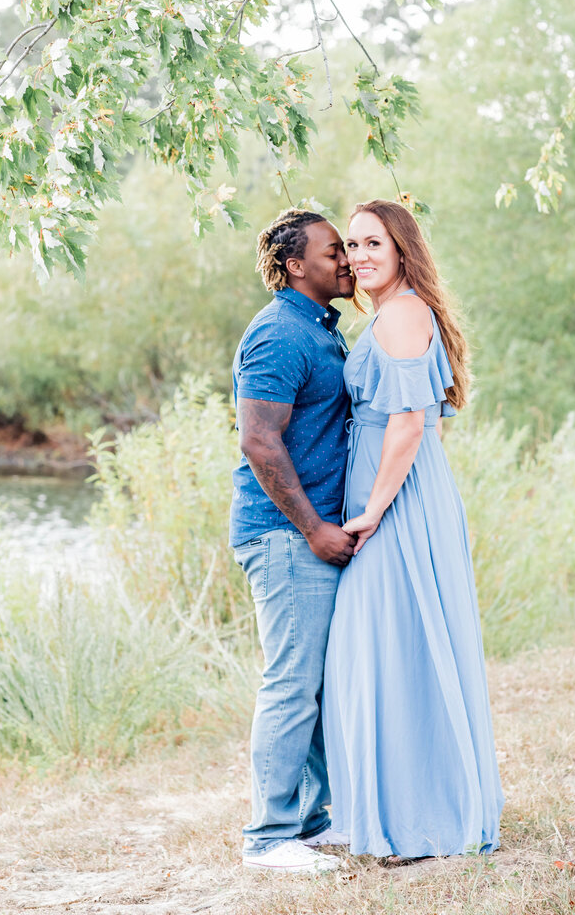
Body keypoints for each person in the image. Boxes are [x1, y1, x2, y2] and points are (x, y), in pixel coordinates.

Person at [323, 199, 504, 860]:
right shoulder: (397, 312)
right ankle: (404, 811)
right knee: (396, 646)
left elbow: (405, 423)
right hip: (400, 492)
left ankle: (415, 818)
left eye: (373, 242)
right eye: (352, 244)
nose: (359, 255)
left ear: (401, 249)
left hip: (397, 500)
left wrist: (371, 509)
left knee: (387, 646)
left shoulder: (401, 315)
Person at [230, 208, 357, 874]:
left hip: (307, 535)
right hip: (285, 537)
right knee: (290, 684)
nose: (347, 260)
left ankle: (309, 824)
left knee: (317, 686)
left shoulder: (318, 330)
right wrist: (313, 528)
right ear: (294, 265)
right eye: (333, 251)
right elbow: (257, 439)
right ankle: (268, 838)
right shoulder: (279, 333)